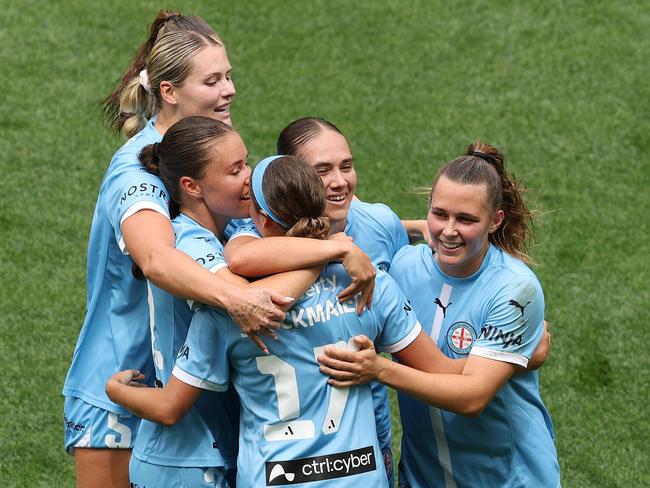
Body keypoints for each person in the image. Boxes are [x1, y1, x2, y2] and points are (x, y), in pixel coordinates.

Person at [106, 154, 458, 487]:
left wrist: (116, 391)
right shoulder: (370, 285)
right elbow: (443, 375)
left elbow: (169, 408)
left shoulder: (231, 309)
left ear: (261, 221)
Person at [62, 12, 292, 488]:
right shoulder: (137, 172)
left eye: (229, 76)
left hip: (191, 382)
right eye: (212, 80)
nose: (229, 90)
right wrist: (235, 299)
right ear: (169, 92)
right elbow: (155, 259)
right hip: (123, 387)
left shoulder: (208, 152)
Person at [318, 142, 561, 487]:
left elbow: (473, 397)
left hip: (509, 478)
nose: (449, 230)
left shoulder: (515, 288)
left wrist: (379, 369)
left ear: (495, 221)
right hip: (423, 477)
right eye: (440, 214)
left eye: (466, 219)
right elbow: (364, 228)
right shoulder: (402, 267)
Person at [130, 116, 324, 487]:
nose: (250, 177)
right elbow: (257, 303)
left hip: (221, 444)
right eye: (236, 170)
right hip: (184, 457)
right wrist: (331, 253)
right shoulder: (189, 242)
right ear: (192, 186)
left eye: (247, 162)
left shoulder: (231, 229)